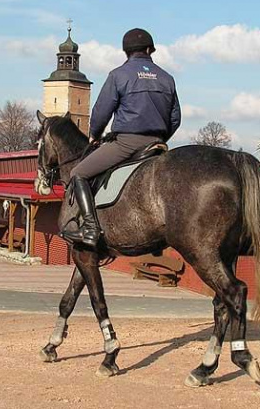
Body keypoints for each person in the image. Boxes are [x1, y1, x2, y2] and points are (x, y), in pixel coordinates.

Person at [64, 28, 181, 249]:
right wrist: (160, 137)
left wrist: (94, 136)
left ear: (126, 52)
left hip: (127, 143)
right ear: (149, 50)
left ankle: (90, 228)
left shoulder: (118, 75)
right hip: (157, 142)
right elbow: (175, 118)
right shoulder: (167, 78)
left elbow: (101, 112)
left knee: (78, 172)